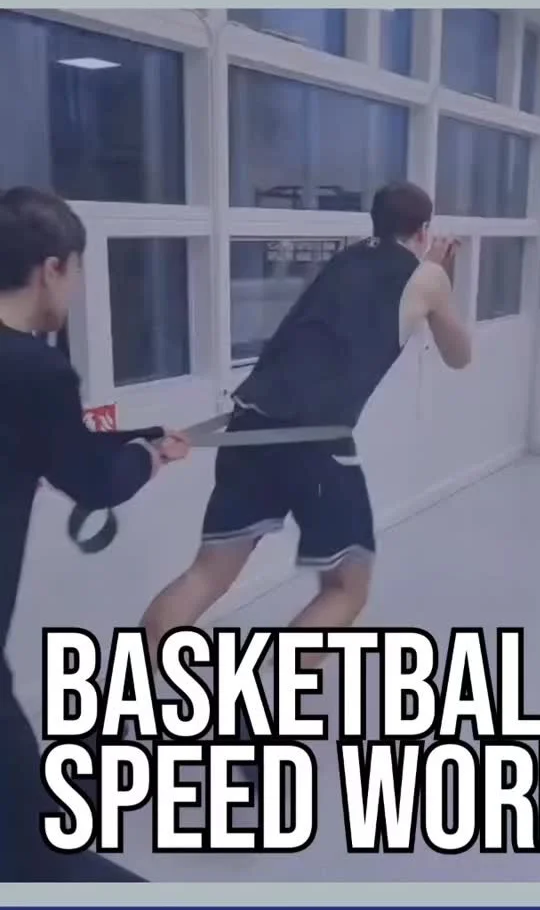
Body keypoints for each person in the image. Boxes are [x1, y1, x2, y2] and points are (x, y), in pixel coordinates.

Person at [142, 181, 472, 716]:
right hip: (314, 444)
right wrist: (441, 277)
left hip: (250, 425)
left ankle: (125, 700)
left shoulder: (345, 261)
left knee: (205, 575)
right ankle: (263, 714)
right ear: (424, 231)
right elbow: (459, 355)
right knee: (347, 589)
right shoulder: (426, 274)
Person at [0, 186, 189, 881]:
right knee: (40, 853)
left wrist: (141, 434)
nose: (75, 288)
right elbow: (92, 481)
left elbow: (55, 443)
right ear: (51, 268)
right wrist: (149, 458)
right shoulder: (37, 369)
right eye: (76, 270)